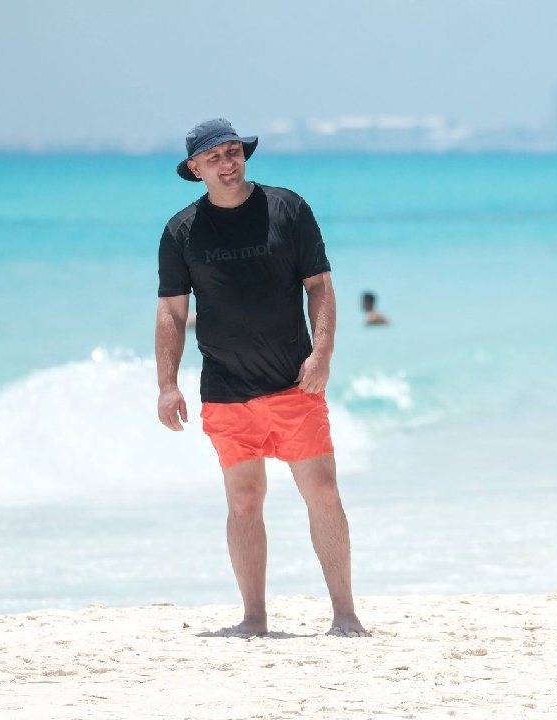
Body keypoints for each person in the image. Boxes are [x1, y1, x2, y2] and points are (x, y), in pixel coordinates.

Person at [155, 119, 368, 638]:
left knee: (322, 491)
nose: (228, 163)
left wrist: (323, 354)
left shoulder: (287, 209)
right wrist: (167, 384)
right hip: (226, 389)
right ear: (195, 169)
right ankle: (254, 618)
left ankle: (345, 614)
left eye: (234, 152)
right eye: (215, 158)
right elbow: (170, 312)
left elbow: (319, 285)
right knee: (244, 500)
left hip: (295, 381)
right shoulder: (181, 231)